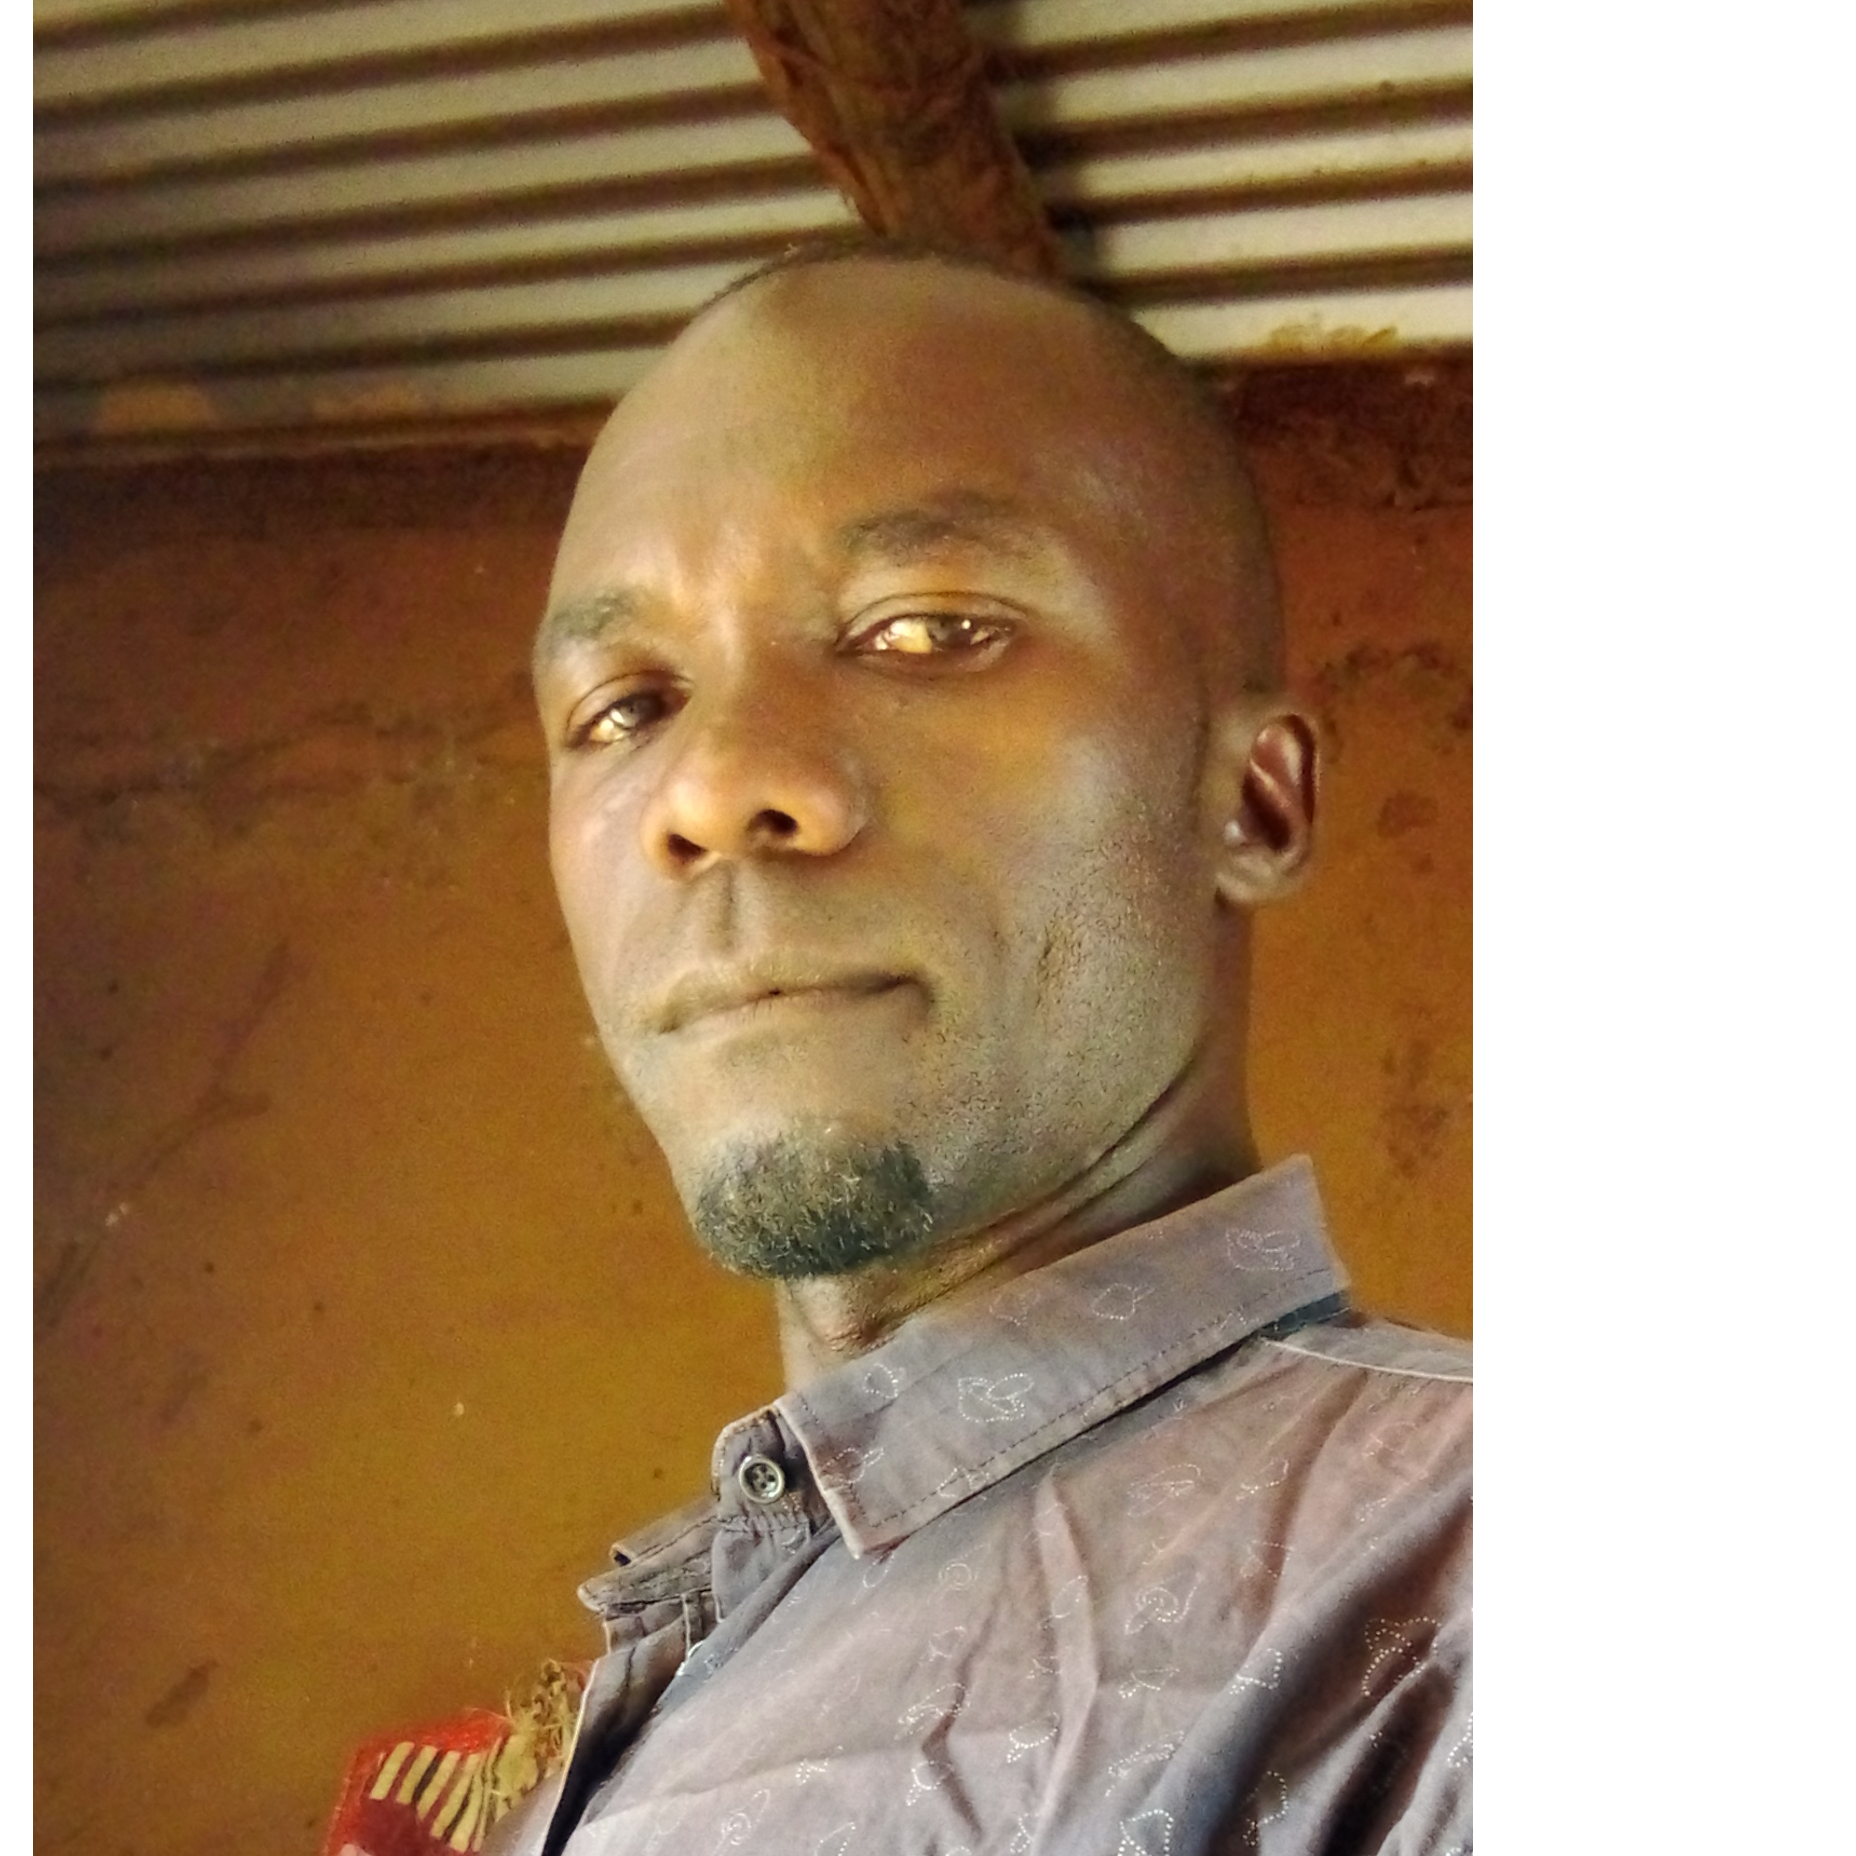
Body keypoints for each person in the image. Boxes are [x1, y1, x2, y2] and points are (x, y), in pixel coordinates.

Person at [495, 239, 1471, 1855]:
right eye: (623, 707)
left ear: (1252, 802)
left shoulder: (1432, 1599)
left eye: (924, 630)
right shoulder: (706, 1649)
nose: (709, 788)